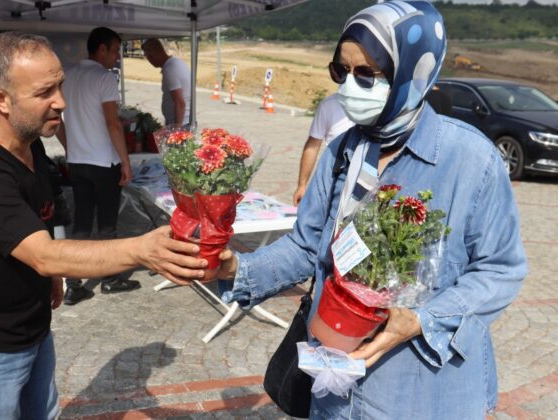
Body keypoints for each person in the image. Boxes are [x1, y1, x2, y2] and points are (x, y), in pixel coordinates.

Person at [193, 2, 527, 419]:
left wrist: (423, 319)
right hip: (334, 391)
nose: (349, 86)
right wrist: (236, 270)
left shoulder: (470, 160)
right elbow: (305, 245)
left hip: (420, 394)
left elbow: (501, 270)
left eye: (366, 73)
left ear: (413, 73)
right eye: (341, 72)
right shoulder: (344, 149)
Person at [0, 31, 207, 420]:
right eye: (45, 92)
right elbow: (45, 255)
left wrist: (50, 278)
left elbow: (37, 223)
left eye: (60, 85)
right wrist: (141, 249)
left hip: (31, 326)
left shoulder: (28, 141)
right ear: (1, 100)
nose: (61, 102)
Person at [55, 27, 137, 305]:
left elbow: (57, 121)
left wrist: (70, 147)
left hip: (78, 162)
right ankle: (110, 280)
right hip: (104, 162)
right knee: (106, 224)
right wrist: (125, 162)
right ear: (101, 49)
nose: (117, 58)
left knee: (81, 223)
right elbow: (113, 124)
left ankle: (74, 283)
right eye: (115, 51)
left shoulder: (68, 76)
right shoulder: (104, 77)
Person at [292, 93, 354, 206]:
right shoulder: (329, 105)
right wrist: (302, 185)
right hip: (334, 180)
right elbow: (313, 146)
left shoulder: (382, 105)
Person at [141, 38, 191, 127]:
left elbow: (180, 103)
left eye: (147, 57)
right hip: (182, 122)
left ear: (151, 56)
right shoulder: (177, 63)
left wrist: (177, 130)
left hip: (181, 124)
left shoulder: (170, 69)